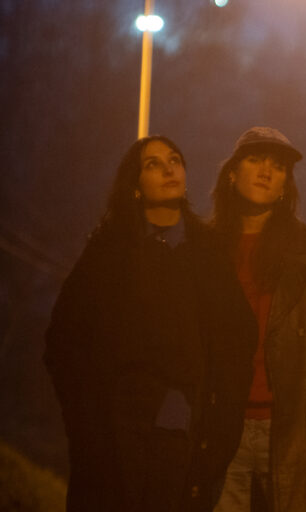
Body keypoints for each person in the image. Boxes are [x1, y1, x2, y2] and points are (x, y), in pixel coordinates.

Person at [45, 136, 257, 511]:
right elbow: (64, 341)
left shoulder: (207, 254)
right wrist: (86, 421)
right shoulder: (110, 252)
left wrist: (217, 434)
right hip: (111, 435)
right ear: (136, 185)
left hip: (181, 436)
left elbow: (236, 345)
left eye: (174, 159)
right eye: (152, 164)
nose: (168, 169)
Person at [210, 127, 306, 512]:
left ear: (285, 184)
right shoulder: (204, 249)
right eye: (255, 160)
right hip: (220, 427)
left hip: (292, 429)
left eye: (278, 166)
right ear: (232, 172)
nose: (266, 171)